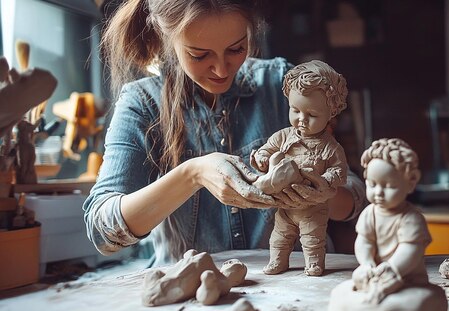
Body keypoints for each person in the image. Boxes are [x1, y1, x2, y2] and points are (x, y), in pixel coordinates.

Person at [83, 0, 365, 266]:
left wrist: (314, 188)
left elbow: (354, 199)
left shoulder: (282, 85)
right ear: (166, 37)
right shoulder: (143, 103)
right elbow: (102, 232)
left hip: (294, 281)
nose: (220, 69)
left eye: (236, 49)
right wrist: (192, 175)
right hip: (193, 291)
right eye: (199, 55)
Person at [250, 60, 348, 276]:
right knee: (279, 237)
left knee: (312, 239)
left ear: (331, 113)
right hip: (285, 206)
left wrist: (326, 180)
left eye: (312, 115)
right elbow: (267, 150)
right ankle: (278, 261)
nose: (302, 119)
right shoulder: (283, 136)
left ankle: (313, 263)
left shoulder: (330, 148)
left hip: (313, 207)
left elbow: (340, 172)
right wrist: (262, 159)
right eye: (295, 111)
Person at [352, 138, 431, 303]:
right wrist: (366, 263)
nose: (378, 192)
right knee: (357, 277)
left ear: (411, 182)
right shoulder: (370, 213)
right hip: (376, 271)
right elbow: (364, 241)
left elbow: (410, 250)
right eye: (372, 184)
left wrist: (392, 267)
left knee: (403, 296)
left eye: (388, 186)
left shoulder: (411, 218)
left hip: (405, 275)